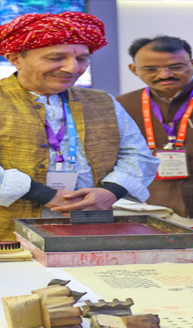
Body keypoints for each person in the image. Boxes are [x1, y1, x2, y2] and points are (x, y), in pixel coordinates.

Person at [0, 12, 159, 241]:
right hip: (9, 235)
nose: (72, 68)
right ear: (15, 58)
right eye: (56, 58)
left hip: (90, 228)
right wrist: (43, 195)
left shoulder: (102, 101)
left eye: (82, 59)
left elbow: (137, 154)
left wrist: (110, 191)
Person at [116, 36, 193, 225]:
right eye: (151, 69)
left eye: (175, 67)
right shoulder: (121, 105)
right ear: (134, 69)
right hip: (148, 209)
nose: (165, 75)